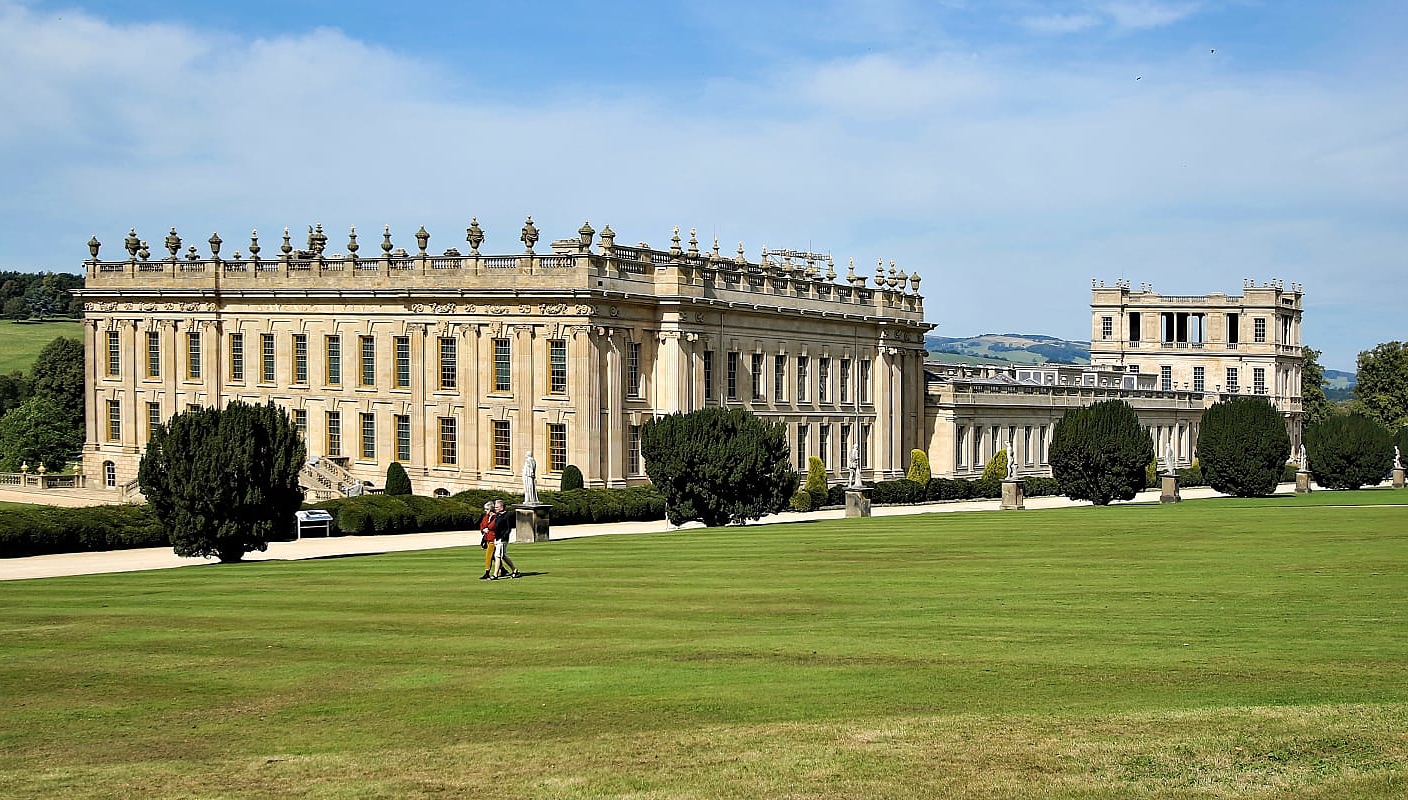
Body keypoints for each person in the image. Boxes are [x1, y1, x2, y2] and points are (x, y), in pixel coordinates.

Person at [490, 498, 519, 580]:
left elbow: (508, 528)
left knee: (497, 555)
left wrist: (504, 537)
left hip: (502, 538)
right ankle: (515, 570)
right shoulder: (498, 515)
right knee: (503, 556)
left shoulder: (507, 515)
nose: (495, 509)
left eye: (497, 507)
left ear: (502, 507)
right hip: (497, 537)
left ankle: (495, 574)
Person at [478, 502, 497, 580]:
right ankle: (503, 569)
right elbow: (482, 525)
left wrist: (487, 528)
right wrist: (483, 529)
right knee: (494, 557)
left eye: (487, 509)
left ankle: (487, 572)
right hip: (487, 538)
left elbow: (492, 526)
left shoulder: (495, 517)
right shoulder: (486, 517)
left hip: (493, 539)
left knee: (489, 556)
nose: (486, 511)